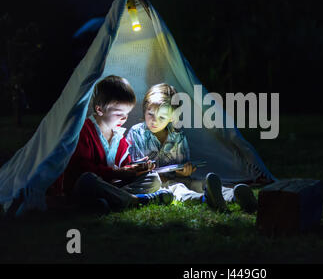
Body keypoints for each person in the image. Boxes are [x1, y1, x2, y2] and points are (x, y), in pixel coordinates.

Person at [126, 83, 258, 213]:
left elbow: (182, 164)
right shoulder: (137, 133)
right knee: (178, 189)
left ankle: (233, 195)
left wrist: (185, 171)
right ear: (145, 110)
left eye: (162, 117)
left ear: (172, 117)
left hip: (177, 178)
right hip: (157, 183)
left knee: (198, 184)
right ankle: (205, 199)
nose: (154, 121)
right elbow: (136, 169)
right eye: (150, 114)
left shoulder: (177, 135)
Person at [49, 75, 173, 213]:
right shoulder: (84, 131)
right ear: (100, 110)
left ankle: (112, 202)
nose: (125, 118)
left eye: (127, 113)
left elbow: (124, 169)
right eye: (119, 113)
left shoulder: (120, 138)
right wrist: (118, 172)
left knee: (153, 179)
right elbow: (81, 169)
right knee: (88, 180)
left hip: (112, 187)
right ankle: (135, 201)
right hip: (84, 188)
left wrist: (136, 168)